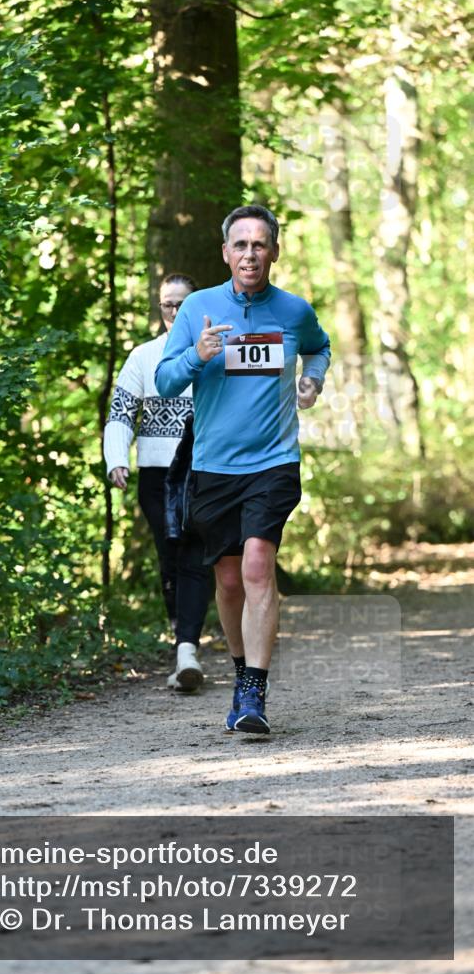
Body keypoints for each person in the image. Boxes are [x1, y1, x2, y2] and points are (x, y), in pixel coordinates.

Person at [155, 205, 331, 733]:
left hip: (275, 461)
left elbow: (320, 348)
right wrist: (197, 356)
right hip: (214, 467)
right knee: (228, 581)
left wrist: (313, 381)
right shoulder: (198, 309)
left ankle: (254, 692)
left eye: (260, 244)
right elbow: (164, 381)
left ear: (274, 251)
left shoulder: (293, 311)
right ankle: (240, 674)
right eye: (241, 245)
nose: (250, 254)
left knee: (257, 567)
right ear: (225, 252)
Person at [104, 273, 212, 691]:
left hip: (205, 470)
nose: (174, 312)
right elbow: (120, 412)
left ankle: (187, 649)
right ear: (160, 308)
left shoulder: (214, 352)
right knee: (169, 555)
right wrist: (116, 458)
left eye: (182, 304)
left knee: (195, 554)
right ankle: (182, 638)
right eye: (168, 304)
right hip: (155, 474)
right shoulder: (143, 358)